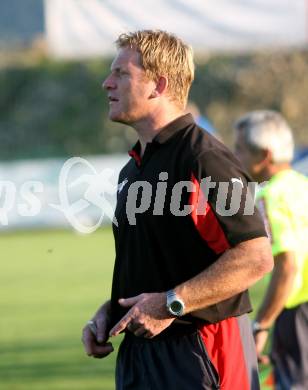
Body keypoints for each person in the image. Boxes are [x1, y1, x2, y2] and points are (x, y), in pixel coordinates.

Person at [82, 30, 273, 390]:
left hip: (202, 348)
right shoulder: (134, 168)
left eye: (122, 73)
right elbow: (158, 261)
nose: (107, 83)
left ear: (158, 84)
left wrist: (172, 303)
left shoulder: (205, 159)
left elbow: (255, 257)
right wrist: (113, 310)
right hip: (142, 351)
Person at [234, 110, 308, 389]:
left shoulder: (271, 194)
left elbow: (287, 266)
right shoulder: (302, 185)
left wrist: (262, 324)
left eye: (240, 149)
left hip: (297, 311)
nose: (234, 156)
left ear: (264, 155)